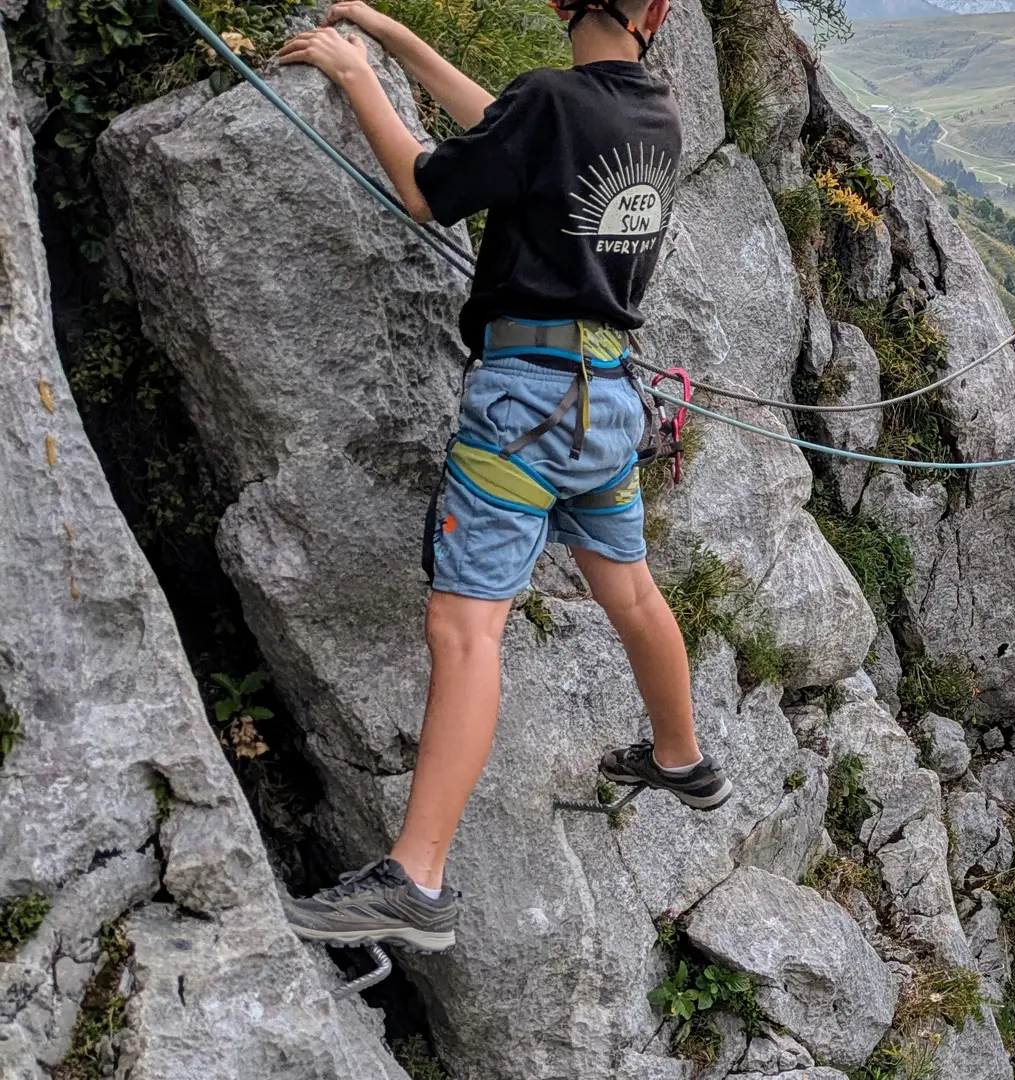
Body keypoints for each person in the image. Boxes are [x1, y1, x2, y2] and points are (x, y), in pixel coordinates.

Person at [275, 0, 729, 954]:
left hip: (527, 400)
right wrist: (398, 41)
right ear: (655, 15)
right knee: (631, 590)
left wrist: (355, 72)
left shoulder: (552, 102)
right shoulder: (653, 114)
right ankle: (683, 757)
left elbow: (428, 188)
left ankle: (418, 878)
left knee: (466, 628)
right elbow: (516, 130)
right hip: (609, 401)